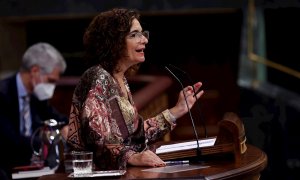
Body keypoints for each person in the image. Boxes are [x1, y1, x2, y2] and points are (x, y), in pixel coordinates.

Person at [66, 8, 204, 170]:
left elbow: (136, 135)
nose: (144, 40)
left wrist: (177, 110)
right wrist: (132, 156)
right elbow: (98, 136)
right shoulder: (98, 77)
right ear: (113, 42)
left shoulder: (120, 78)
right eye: (134, 34)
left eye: (143, 33)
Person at [0, 42, 69, 178]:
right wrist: (48, 140)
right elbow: (11, 141)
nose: (52, 87)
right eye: (50, 80)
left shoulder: (38, 96)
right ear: (35, 71)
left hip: (35, 167)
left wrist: (67, 126)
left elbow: (57, 118)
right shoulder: (3, 94)